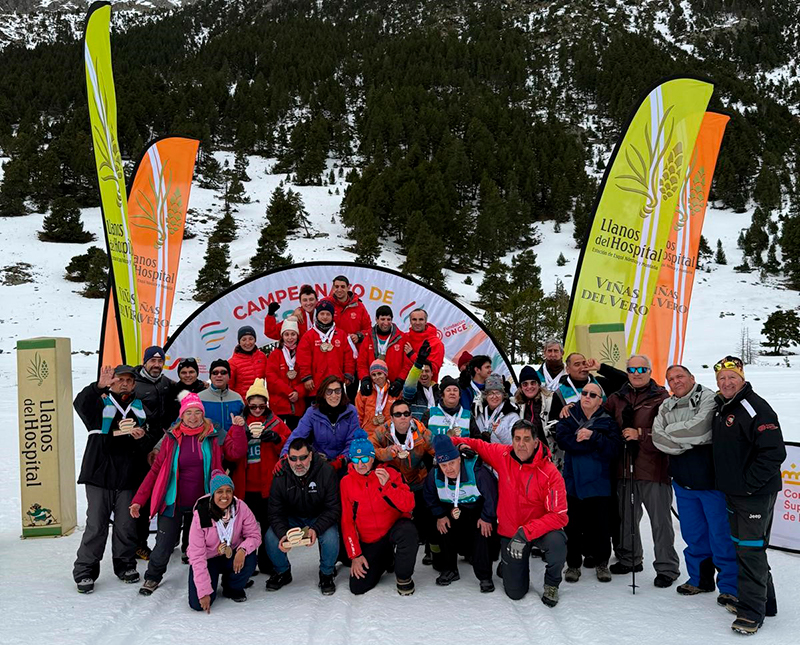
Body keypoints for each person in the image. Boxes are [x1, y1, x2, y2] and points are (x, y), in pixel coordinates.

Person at [130, 393, 246, 596]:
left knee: (209, 543)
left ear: (203, 415)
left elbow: (222, 464)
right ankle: (153, 577)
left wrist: (237, 429)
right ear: (181, 416)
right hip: (172, 501)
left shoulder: (211, 436)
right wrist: (139, 500)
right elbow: (156, 471)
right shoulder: (171, 438)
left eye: (197, 412)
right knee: (164, 543)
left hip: (203, 503)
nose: (193, 417)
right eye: (188, 413)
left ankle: (216, 577)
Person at [453, 420, 568, 607]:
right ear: (512, 440)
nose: (521, 444)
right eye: (517, 439)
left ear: (536, 441)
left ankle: (552, 584)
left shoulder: (550, 473)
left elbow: (559, 515)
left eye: (526, 439)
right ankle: (508, 564)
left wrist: (526, 532)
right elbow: (478, 444)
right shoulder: (503, 455)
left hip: (538, 531)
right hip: (511, 531)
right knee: (515, 593)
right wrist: (455, 442)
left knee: (557, 543)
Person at [711, 356, 785, 635]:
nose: (727, 382)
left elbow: (775, 452)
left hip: (754, 494)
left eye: (732, 377)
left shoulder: (755, 407)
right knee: (744, 548)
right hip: (734, 493)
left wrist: (749, 485)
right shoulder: (723, 407)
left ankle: (751, 613)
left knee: (751, 550)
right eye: (722, 379)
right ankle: (767, 603)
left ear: (742, 378)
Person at [652, 365, 737, 600]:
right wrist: (688, 440)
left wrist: (674, 434)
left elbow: (702, 429)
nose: (676, 381)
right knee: (694, 535)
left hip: (711, 482)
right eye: (670, 379)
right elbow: (658, 437)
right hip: (683, 482)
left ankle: (730, 588)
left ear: (692, 378)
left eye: (680, 376)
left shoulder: (708, 397)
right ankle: (700, 580)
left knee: (721, 536)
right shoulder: (666, 405)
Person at [72, 365, 158, 593]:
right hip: (100, 473)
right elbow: (79, 404)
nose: (125, 384)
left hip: (130, 475)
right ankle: (85, 570)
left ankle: (125, 565)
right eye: (120, 379)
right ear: (112, 381)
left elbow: (149, 441)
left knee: (126, 524)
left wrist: (141, 438)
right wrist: (98, 385)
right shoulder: (99, 402)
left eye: (129, 381)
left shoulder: (140, 408)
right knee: (96, 525)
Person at [604, 355, 679, 587]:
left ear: (649, 370)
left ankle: (667, 566)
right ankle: (630, 558)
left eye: (642, 369)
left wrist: (641, 434)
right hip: (624, 467)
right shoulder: (617, 398)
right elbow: (601, 419)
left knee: (660, 521)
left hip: (654, 468)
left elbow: (669, 431)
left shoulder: (662, 397)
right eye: (632, 369)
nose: (637, 373)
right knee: (626, 517)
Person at [556, 382, 621, 583]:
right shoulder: (569, 415)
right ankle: (573, 565)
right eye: (584, 393)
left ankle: (602, 563)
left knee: (601, 526)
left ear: (600, 400)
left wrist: (592, 437)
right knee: (572, 526)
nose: (587, 396)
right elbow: (563, 441)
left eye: (593, 395)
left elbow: (613, 449)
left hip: (599, 481)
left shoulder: (607, 421)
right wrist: (591, 445)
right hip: (573, 482)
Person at [340, 430, 419, 595]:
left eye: (365, 459)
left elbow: (409, 504)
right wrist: (355, 555)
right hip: (370, 540)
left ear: (372, 457)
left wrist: (388, 486)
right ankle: (386, 559)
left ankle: (403, 577)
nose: (360, 464)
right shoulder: (346, 482)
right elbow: (347, 521)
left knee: (408, 531)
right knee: (358, 587)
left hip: (392, 530)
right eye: (356, 459)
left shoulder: (388, 472)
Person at [265, 437, 341, 595]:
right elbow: (275, 512)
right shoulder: (280, 475)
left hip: (318, 517)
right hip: (292, 518)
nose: (298, 463)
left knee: (331, 536)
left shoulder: (326, 471)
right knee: (271, 536)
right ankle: (282, 572)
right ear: (288, 458)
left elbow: (333, 508)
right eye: (293, 458)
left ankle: (326, 573)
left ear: (311, 455)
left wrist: (316, 528)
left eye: (303, 457)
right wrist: (282, 533)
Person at [424, 434, 498, 591]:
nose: (449, 469)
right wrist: (439, 515)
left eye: (452, 463)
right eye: (444, 465)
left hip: (476, 511)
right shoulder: (434, 475)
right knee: (442, 525)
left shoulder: (477, 472)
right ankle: (449, 569)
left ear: (459, 459)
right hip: (451, 511)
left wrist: (487, 517)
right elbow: (429, 495)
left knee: (483, 532)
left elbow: (492, 495)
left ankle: (484, 576)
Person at [232, 379, 291, 575]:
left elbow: (290, 448)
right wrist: (242, 437)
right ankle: (246, 564)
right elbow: (230, 450)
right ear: (247, 404)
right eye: (253, 405)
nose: (257, 409)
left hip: (268, 485)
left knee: (268, 526)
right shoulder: (240, 422)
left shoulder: (276, 423)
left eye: (261, 405)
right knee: (245, 528)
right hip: (246, 486)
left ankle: (268, 563)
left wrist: (276, 440)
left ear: (267, 404)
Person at [186, 471, 260, 611]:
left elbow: (255, 536)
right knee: (197, 604)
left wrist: (242, 550)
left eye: (228, 491)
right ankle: (209, 585)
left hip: (232, 554)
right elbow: (197, 555)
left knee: (250, 557)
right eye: (220, 492)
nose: (224, 496)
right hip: (208, 559)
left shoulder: (241, 508)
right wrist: (203, 592)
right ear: (213, 494)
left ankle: (231, 586)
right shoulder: (202, 514)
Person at [372, 399, 436, 561]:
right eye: (398, 414)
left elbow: (438, 448)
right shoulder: (382, 431)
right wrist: (387, 452)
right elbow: (369, 450)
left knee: (427, 512)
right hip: (393, 483)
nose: (402, 417)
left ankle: (432, 548)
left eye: (406, 414)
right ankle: (389, 550)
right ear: (391, 418)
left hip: (417, 479)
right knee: (391, 518)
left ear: (410, 416)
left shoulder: (421, 431)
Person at [133, 345, 175, 558]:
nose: (157, 365)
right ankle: (138, 542)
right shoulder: (135, 383)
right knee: (142, 494)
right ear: (145, 361)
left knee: (163, 493)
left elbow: (181, 397)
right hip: (140, 447)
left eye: (160, 362)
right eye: (153, 361)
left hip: (162, 445)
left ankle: (165, 540)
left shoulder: (166, 383)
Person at [281, 375, 360, 470]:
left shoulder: (350, 411)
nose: (334, 396)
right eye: (329, 392)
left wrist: (342, 459)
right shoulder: (313, 412)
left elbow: (353, 440)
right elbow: (297, 436)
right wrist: (284, 456)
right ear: (323, 393)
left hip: (344, 463)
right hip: (319, 462)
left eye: (337, 391)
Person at [296, 300, 357, 395]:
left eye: (328, 314)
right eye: (322, 314)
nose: (325, 317)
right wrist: (307, 377)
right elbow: (303, 359)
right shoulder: (308, 336)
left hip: (336, 384)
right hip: (316, 386)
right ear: (317, 316)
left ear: (332, 316)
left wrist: (348, 373)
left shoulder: (341, 335)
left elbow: (348, 357)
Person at [548, 352, 625, 421]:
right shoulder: (560, 393)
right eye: (577, 364)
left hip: (605, 431)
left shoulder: (600, 383)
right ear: (568, 369)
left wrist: (600, 368)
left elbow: (625, 380)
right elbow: (553, 422)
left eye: (584, 363)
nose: (582, 367)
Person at [357, 305, 408, 397]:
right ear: (376, 319)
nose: (386, 323)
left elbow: (407, 364)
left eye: (389, 319)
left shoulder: (402, 338)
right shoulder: (368, 338)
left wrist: (400, 380)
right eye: (382, 319)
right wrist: (365, 379)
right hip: (374, 385)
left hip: (394, 385)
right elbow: (361, 363)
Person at [265, 318, 307, 429]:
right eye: (286, 334)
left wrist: (298, 391)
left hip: (298, 405)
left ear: (297, 335)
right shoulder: (275, 354)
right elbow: (271, 377)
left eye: (293, 334)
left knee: (295, 437)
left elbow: (307, 374)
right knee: (279, 436)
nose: (289, 338)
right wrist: (289, 392)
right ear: (282, 336)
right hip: (279, 404)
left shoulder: (303, 353)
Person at [198, 358, 246, 447]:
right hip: (208, 448)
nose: (219, 375)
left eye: (223, 372)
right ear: (210, 376)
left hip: (232, 448)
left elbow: (245, 423)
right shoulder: (199, 398)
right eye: (215, 373)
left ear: (229, 376)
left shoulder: (237, 398)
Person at [514, 366, 556, 461]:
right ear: (520, 387)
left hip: (549, 454)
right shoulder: (516, 404)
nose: (529, 387)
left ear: (538, 384)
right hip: (527, 455)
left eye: (533, 383)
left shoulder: (551, 400)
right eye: (525, 384)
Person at [471, 374, 520, 444]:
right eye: (491, 393)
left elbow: (515, 443)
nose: (494, 396)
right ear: (486, 396)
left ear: (503, 395)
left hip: (502, 453)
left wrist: (500, 431)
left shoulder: (512, 415)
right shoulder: (478, 413)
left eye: (498, 393)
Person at [355, 359, 397, 437]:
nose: (377, 377)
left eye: (379, 373)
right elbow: (358, 415)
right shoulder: (365, 392)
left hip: (389, 433)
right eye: (373, 375)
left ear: (385, 374)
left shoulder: (394, 391)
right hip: (368, 433)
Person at [402, 308, 445, 382]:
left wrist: (412, 355)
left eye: (421, 319)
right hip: (401, 387)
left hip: (425, 388)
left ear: (426, 321)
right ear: (410, 321)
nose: (417, 322)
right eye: (414, 319)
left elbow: (434, 369)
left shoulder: (436, 343)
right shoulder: (404, 338)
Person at [228, 325, 268, 401]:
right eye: (243, 339)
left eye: (251, 339)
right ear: (239, 342)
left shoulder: (262, 357)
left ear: (255, 340)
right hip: (242, 404)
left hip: (260, 404)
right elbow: (229, 387)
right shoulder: (232, 362)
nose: (248, 342)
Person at [402, 341, 440, 420]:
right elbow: (409, 386)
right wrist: (419, 362)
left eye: (427, 371)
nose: (423, 374)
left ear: (432, 373)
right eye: (421, 371)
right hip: (419, 430)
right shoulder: (414, 392)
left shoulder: (439, 391)